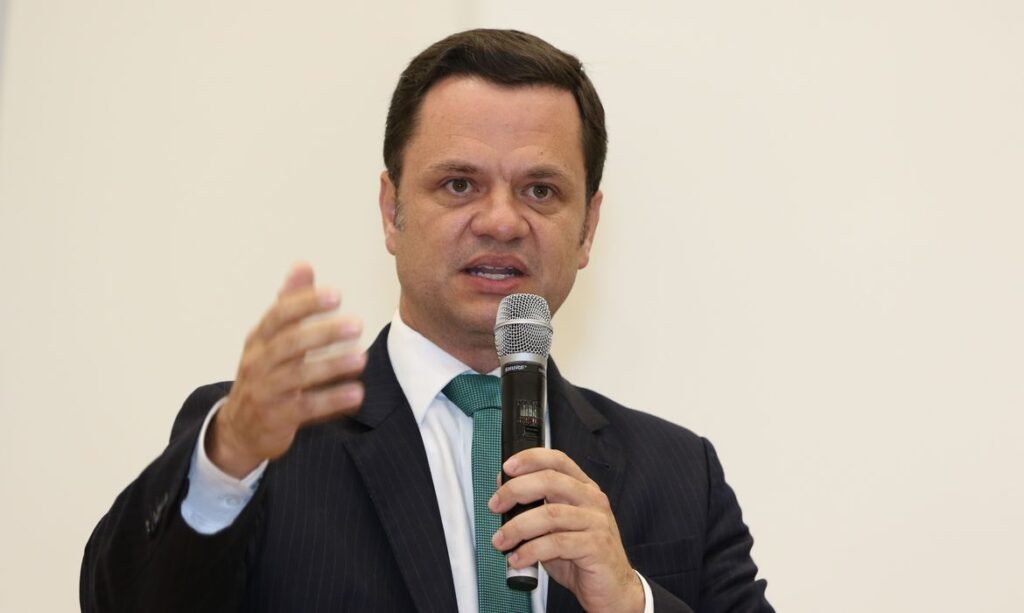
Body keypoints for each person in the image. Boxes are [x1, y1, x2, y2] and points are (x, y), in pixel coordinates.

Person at [80, 29, 773, 613]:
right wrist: (227, 460)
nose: (501, 221)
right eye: (459, 184)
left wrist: (631, 601)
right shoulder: (261, 447)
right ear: (392, 211)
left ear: (588, 227)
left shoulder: (679, 475)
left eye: (540, 189)